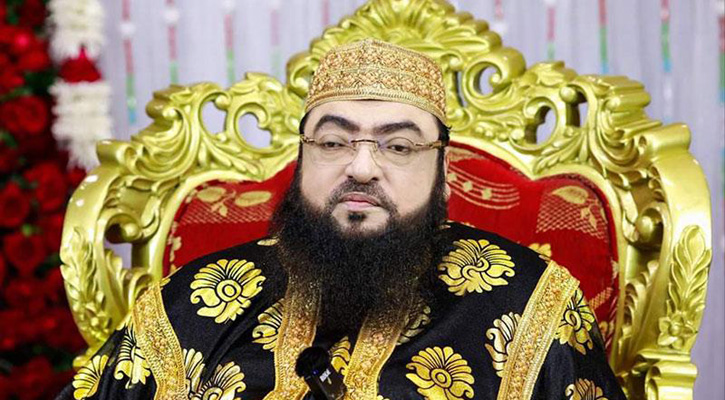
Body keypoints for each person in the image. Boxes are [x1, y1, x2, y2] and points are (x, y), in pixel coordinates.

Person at [57, 39, 625, 400]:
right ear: (302, 157)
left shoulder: (531, 305)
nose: (361, 167)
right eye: (333, 142)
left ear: (442, 169)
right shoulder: (191, 303)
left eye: (398, 147)